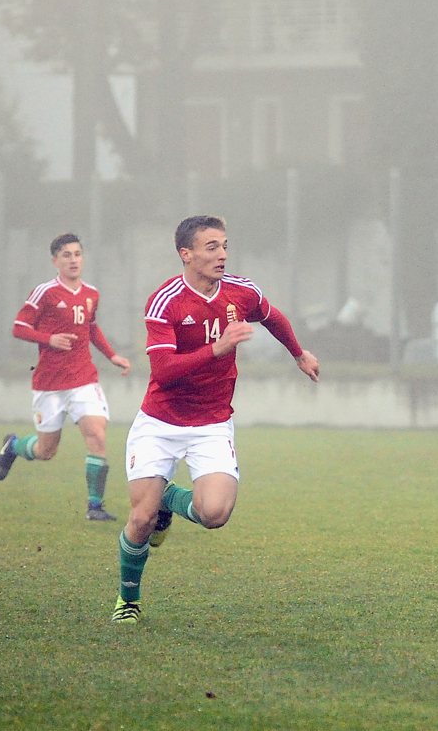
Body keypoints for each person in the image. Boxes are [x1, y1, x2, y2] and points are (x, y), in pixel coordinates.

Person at [111, 215, 319, 623]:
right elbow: (164, 371)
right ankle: (127, 601)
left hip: (210, 423)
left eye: (224, 245)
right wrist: (218, 349)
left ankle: (169, 498)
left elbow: (272, 316)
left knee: (215, 515)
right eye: (211, 247)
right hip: (161, 423)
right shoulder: (165, 301)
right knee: (139, 519)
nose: (222, 254)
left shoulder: (242, 292)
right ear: (185, 254)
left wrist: (298, 353)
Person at [0, 233, 131, 521]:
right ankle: (14, 445)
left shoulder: (91, 293)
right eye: (66, 255)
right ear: (55, 261)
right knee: (46, 451)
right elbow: (19, 328)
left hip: (84, 379)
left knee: (96, 433)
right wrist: (49, 338)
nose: (73, 259)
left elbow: (91, 328)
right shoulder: (45, 292)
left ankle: (95, 506)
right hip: (50, 384)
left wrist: (112, 356)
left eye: (77, 254)